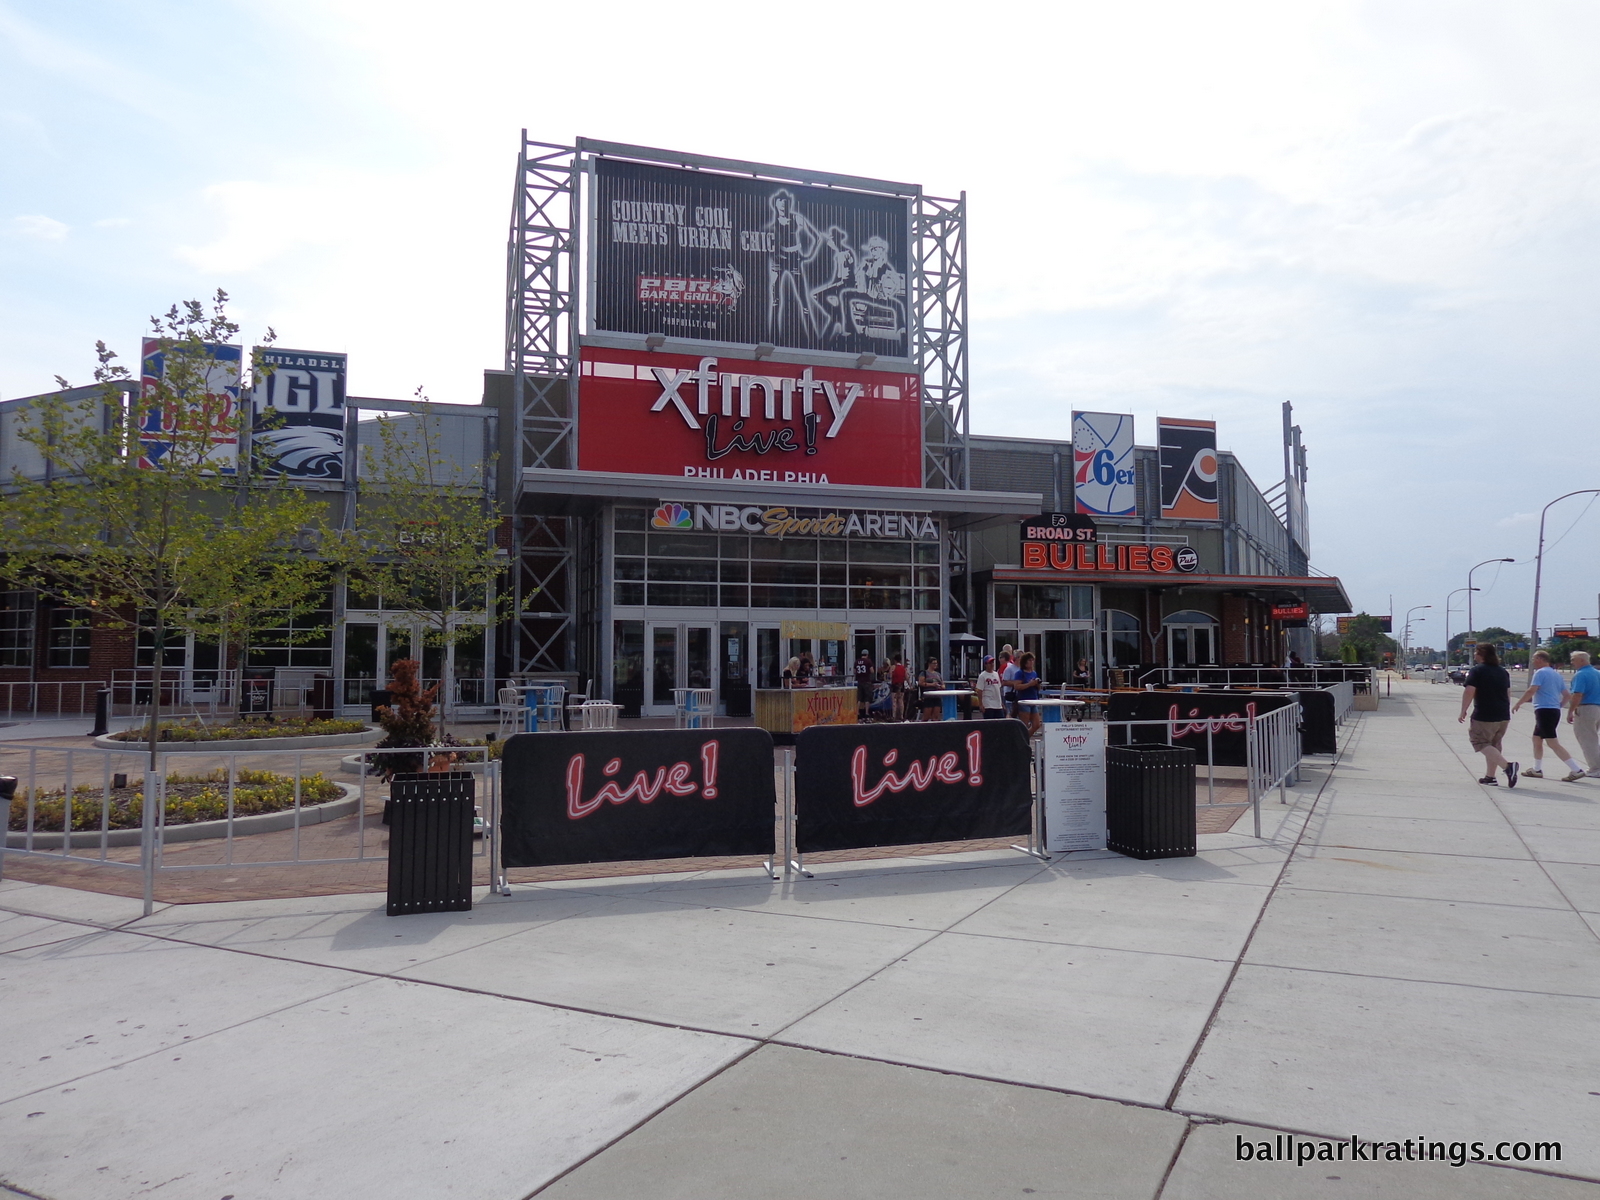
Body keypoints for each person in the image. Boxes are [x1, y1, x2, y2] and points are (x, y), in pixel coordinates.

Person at [1514, 650, 1585, 781]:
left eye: (1534, 659)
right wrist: (1559, 706)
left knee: (1552, 742)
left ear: (1540, 659)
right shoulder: (1555, 674)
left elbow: (1532, 690)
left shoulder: (1540, 673)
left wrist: (1519, 703)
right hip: (1552, 710)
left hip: (1544, 710)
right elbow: (1567, 695)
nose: (1533, 662)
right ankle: (1537, 768)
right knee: (1537, 739)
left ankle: (1576, 769)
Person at [1458, 642, 1518, 786]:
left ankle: (1508, 767)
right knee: (1494, 744)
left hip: (1485, 713)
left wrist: (1463, 710)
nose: (1474, 655)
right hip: (1503, 714)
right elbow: (1508, 693)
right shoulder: (1502, 671)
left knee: (1480, 741)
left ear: (1481, 654)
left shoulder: (1477, 671)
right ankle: (1490, 777)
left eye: (1476, 652)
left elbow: (1469, 691)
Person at [1567, 650, 1600, 777]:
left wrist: (1571, 711)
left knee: (1587, 739)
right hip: (1597, 707)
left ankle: (1595, 768)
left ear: (1582, 660)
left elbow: (1577, 694)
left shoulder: (1581, 675)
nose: (1572, 662)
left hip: (1586, 708)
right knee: (1593, 737)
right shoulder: (1597, 673)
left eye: (1573, 660)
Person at [1009, 652, 1042, 733]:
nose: (1031, 662)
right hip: (1024, 700)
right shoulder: (1020, 673)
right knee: (1024, 724)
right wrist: (1029, 684)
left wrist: (1036, 684)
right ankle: (1022, 741)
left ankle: (1026, 739)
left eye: (1032, 660)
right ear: (1025, 662)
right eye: (1029, 660)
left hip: (1033, 700)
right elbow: (1017, 686)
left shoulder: (1034, 673)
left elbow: (1037, 688)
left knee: (1036, 724)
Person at [977, 655, 1005, 719]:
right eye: (990, 663)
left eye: (992, 662)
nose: (992, 664)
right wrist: (981, 704)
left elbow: (998, 688)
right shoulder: (982, 676)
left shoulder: (996, 674)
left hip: (998, 704)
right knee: (989, 724)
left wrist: (1001, 702)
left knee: (1000, 723)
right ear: (985, 664)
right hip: (988, 704)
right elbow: (979, 690)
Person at [917, 657, 944, 721]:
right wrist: (932, 684)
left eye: (936, 663)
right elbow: (920, 683)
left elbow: (942, 683)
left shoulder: (938, 674)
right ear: (929, 664)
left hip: (937, 696)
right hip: (928, 696)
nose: (935, 665)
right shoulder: (924, 673)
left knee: (936, 716)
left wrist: (941, 686)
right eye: (934, 663)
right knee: (926, 716)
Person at [999, 645, 1019, 717]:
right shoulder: (1011, 666)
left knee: (1009, 713)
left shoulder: (1006, 666)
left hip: (1009, 694)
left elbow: (1001, 681)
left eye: (1001, 658)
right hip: (1010, 693)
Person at [855, 649, 875, 719]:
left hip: (860, 681)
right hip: (866, 681)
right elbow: (872, 671)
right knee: (867, 698)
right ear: (867, 654)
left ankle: (857, 712)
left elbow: (855, 671)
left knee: (859, 698)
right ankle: (866, 713)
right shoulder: (868, 661)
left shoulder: (857, 661)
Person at [889, 656, 907, 721]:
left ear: (895, 660)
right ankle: (901, 716)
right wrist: (910, 685)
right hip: (901, 685)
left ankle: (894, 716)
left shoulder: (893, 667)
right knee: (901, 700)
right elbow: (906, 677)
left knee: (894, 701)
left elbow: (890, 676)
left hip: (894, 685)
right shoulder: (903, 668)